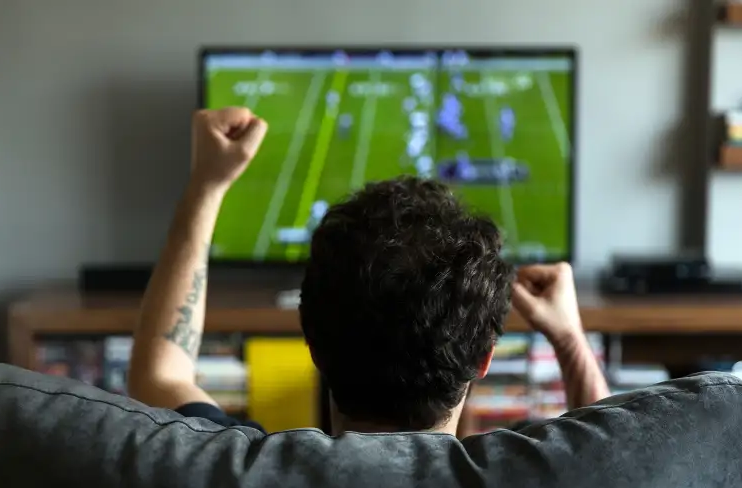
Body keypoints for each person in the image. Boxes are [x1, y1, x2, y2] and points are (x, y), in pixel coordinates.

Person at [127, 107, 609, 435]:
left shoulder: (233, 482)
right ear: (484, 359)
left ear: (312, 342)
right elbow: (611, 453)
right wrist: (568, 340)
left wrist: (206, 185)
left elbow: (160, 371)